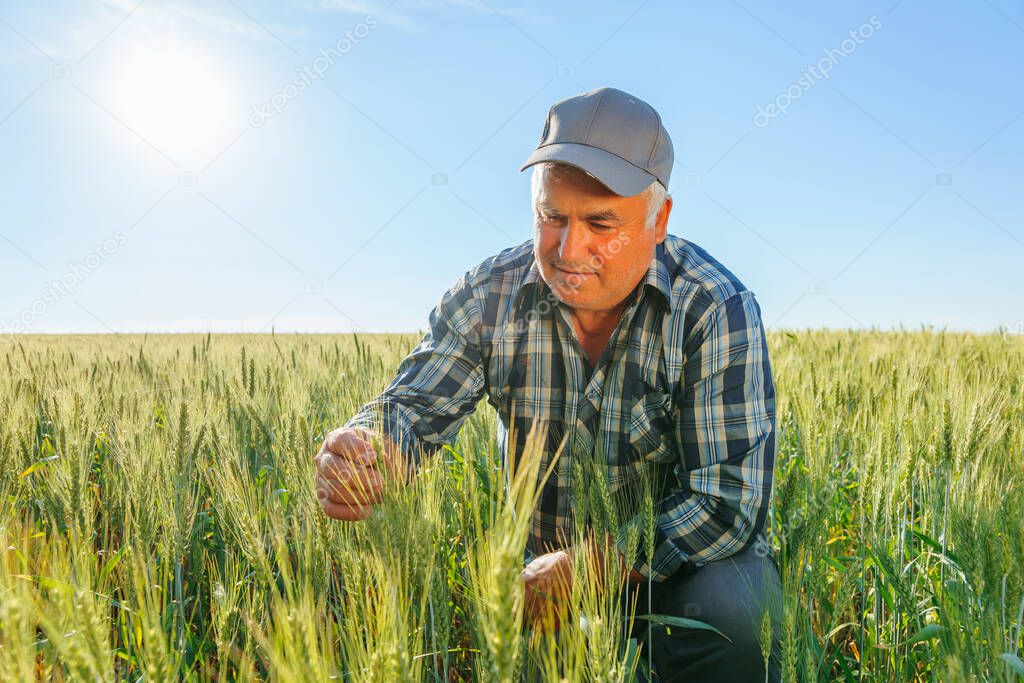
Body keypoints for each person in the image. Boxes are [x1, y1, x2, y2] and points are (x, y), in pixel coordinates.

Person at [314, 86, 782, 680]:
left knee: (732, 612)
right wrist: (372, 446)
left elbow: (726, 502)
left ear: (659, 220)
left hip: (685, 571)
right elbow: (414, 405)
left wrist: (596, 566)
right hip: (544, 582)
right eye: (551, 216)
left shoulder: (713, 307)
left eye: (601, 222)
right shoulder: (490, 294)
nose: (568, 248)